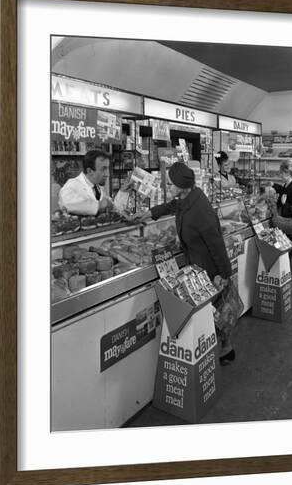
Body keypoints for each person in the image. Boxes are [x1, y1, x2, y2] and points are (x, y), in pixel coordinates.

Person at [136, 162, 235, 365]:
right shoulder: (188, 197)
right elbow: (172, 205)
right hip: (196, 264)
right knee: (212, 311)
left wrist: (224, 274)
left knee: (215, 310)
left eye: (171, 184)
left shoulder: (201, 210)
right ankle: (221, 348)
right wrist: (149, 213)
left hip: (208, 268)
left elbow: (216, 245)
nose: (168, 188)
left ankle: (224, 349)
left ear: (182, 186)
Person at [58, 150, 130, 216]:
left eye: (108, 169)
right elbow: (67, 203)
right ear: (89, 171)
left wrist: (123, 191)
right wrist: (99, 205)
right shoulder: (72, 185)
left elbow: (115, 209)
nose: (107, 174)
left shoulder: (96, 188)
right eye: (103, 169)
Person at [271, 159, 292, 290]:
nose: (280, 175)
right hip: (288, 225)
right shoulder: (288, 184)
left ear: (288, 173)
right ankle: (289, 279)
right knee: (290, 252)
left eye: (282, 173)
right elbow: (283, 190)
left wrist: (285, 204)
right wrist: (274, 185)